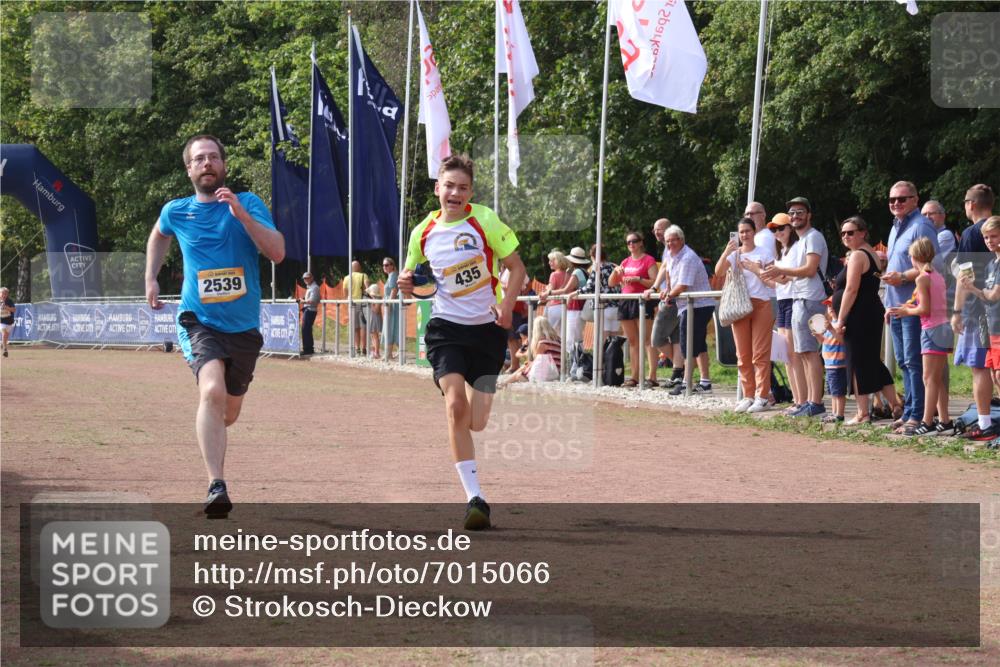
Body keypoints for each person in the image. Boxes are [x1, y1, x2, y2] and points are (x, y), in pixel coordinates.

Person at [145, 134, 285, 517]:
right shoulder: (177, 211)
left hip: (242, 328)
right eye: (199, 159)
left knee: (228, 412)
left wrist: (241, 214)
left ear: (223, 165)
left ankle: (218, 432)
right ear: (189, 169)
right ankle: (216, 484)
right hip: (198, 320)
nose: (206, 163)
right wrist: (151, 278)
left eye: (213, 158)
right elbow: (158, 234)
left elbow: (276, 251)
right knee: (211, 390)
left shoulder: (249, 203)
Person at [397, 154, 526, 530]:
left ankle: (474, 409)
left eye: (463, 187)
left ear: (471, 192)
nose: (455, 193)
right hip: (446, 330)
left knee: (478, 422)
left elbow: (517, 267)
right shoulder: (422, 231)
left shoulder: (484, 220)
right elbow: (412, 279)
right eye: (449, 186)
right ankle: (475, 499)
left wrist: (506, 306)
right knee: (455, 407)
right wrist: (406, 283)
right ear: (437, 189)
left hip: (488, 330)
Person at [882, 181, 940, 432]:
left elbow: (929, 264)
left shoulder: (921, 225)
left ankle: (917, 415)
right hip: (896, 305)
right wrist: (888, 303)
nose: (896, 203)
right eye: (892, 200)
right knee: (904, 362)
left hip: (914, 306)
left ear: (915, 200)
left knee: (914, 363)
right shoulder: (896, 227)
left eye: (902, 199)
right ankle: (908, 412)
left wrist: (903, 277)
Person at [832, 216, 902, 425]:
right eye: (843, 233)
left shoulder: (857, 256)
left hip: (859, 315)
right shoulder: (869, 253)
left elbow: (851, 289)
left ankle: (863, 412)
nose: (846, 236)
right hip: (869, 313)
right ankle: (895, 404)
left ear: (862, 232)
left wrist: (840, 319)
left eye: (851, 232)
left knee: (857, 363)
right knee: (872, 361)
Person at [762, 197, 828, 417]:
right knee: (803, 353)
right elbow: (789, 276)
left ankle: (815, 402)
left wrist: (781, 271)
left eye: (800, 212)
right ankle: (810, 401)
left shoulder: (813, 237)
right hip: (800, 300)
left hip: (811, 300)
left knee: (809, 353)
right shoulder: (801, 241)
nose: (795, 216)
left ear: (808, 215)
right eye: (792, 213)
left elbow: (809, 270)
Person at [887, 237, 952, 436]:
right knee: (938, 378)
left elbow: (925, 309)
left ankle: (926, 421)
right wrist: (908, 306)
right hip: (943, 328)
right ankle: (944, 419)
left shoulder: (922, 278)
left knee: (929, 378)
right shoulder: (937, 275)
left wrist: (907, 312)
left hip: (932, 329)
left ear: (915, 256)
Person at [646, 225, 715, 395]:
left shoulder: (688, 257)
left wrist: (669, 295)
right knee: (697, 343)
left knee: (688, 343)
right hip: (687, 305)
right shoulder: (670, 254)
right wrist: (666, 289)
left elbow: (683, 285)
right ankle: (704, 382)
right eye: (668, 241)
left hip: (699, 305)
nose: (670, 244)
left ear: (681, 240)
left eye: (673, 240)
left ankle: (686, 382)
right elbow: (669, 273)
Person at [716, 217, 775, 413]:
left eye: (747, 231)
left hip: (761, 304)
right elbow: (718, 272)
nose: (744, 235)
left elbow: (772, 281)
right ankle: (748, 395)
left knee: (760, 354)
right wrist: (727, 251)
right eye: (741, 232)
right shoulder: (735, 254)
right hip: (740, 305)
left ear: (754, 232)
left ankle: (762, 396)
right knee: (742, 355)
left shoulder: (764, 252)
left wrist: (756, 270)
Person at [952, 184, 997, 441]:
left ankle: (985, 423)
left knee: (980, 367)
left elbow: (965, 276)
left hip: (979, 309)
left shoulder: (972, 232)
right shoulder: (996, 228)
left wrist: (957, 310)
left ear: (970, 204)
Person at [768, 213, 806, 415]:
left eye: (781, 228)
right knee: (786, 355)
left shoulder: (798, 248)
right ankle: (797, 399)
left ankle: (803, 400)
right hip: (782, 301)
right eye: (774, 230)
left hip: (794, 299)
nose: (778, 233)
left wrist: (770, 273)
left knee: (793, 354)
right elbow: (776, 282)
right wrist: (759, 272)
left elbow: (789, 277)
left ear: (790, 228)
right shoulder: (780, 252)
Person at [609, 231, 658, 388]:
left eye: (634, 241)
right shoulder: (625, 261)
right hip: (626, 301)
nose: (631, 244)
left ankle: (652, 376)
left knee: (647, 339)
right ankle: (635, 376)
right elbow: (611, 283)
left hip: (642, 300)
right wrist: (615, 272)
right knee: (632, 341)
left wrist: (638, 279)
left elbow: (654, 283)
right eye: (628, 242)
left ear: (641, 242)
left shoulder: (648, 260)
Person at [649, 218, 684, 388]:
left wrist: (657, 288)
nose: (657, 232)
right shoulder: (667, 249)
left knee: (656, 338)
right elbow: (665, 268)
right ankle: (678, 371)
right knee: (677, 338)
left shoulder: (675, 248)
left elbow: (668, 270)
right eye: (655, 230)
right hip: (670, 296)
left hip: (672, 298)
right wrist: (657, 287)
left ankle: (682, 368)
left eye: (660, 229)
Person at [545, 247, 589, 346]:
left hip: (575, 307)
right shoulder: (584, 272)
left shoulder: (576, 272)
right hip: (580, 307)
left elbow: (565, 290)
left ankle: (570, 361)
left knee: (571, 340)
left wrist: (548, 293)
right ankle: (576, 360)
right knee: (576, 338)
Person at [576, 243, 621, 341]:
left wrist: (576, 293)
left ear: (592, 256)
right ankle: (614, 356)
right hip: (616, 307)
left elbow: (589, 287)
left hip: (602, 307)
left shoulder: (596, 268)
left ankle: (601, 357)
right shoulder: (614, 266)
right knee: (615, 342)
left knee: (601, 341)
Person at [499, 317, 562, 386]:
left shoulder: (541, 343)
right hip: (556, 371)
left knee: (520, 372)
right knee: (526, 366)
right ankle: (504, 383)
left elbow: (538, 361)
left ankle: (503, 383)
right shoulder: (558, 340)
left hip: (547, 374)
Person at [816, 298, 847, 423]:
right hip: (829, 364)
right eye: (829, 306)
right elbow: (824, 342)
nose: (831, 308)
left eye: (834, 306)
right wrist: (818, 335)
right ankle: (834, 412)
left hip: (838, 363)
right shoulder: (829, 324)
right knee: (833, 391)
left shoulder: (840, 325)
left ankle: (839, 414)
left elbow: (841, 340)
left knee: (838, 392)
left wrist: (830, 329)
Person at [500, 266, 531, 373]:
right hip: (514, 305)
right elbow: (528, 284)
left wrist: (499, 284)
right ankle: (515, 364)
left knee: (511, 338)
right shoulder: (517, 269)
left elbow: (508, 287)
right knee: (514, 338)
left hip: (511, 305)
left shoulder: (511, 270)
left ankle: (514, 365)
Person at [342, 260, 370, 356]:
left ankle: (357, 347)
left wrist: (348, 300)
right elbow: (368, 288)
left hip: (351, 304)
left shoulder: (346, 278)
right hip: (362, 304)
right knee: (363, 327)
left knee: (355, 327)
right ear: (359, 267)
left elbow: (345, 293)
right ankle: (364, 348)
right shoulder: (363, 276)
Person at [542, 250, 569, 332]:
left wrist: (546, 290)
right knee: (563, 333)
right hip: (567, 306)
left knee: (551, 332)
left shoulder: (553, 274)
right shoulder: (569, 274)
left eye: (551, 260)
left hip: (554, 307)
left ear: (558, 261)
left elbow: (550, 290)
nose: (549, 263)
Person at [298, 272, 320, 355]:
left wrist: (303, 301)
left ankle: (308, 349)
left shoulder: (314, 287)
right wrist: (303, 299)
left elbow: (313, 300)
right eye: (304, 278)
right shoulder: (310, 287)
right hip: (307, 310)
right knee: (306, 329)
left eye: (307, 278)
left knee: (306, 329)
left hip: (310, 310)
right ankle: (308, 348)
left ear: (312, 278)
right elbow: (309, 299)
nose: (305, 280)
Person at [382, 257, 400, 359]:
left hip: (392, 305)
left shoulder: (393, 275)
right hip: (390, 304)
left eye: (387, 265)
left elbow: (394, 290)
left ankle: (389, 353)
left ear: (392, 266)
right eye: (384, 265)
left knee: (390, 327)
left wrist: (388, 304)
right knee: (391, 327)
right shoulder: (391, 275)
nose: (385, 267)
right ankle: (392, 352)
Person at [366, 283, 383, 358]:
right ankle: (374, 351)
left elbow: (376, 310)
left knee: (375, 336)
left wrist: (371, 304)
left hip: (375, 318)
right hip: (373, 318)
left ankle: (377, 352)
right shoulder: (374, 299)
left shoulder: (377, 299)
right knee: (373, 335)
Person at [0, 287, 14, 358]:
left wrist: (6, 307)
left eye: (5, 293)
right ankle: (5, 349)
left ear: (7, 294)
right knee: (4, 333)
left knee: (6, 336)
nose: (4, 295)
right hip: (1, 321)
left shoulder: (10, 301)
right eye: (2, 293)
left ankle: (3, 345)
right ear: (0, 294)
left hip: (9, 321)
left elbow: (14, 310)